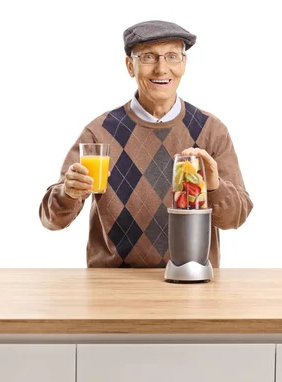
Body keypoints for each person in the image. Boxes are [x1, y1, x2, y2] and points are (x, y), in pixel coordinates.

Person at [39, 20, 253, 268]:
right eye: (149, 57)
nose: (162, 69)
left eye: (172, 56)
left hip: (192, 288)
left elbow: (235, 218)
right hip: (112, 289)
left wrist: (215, 187)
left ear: (184, 64)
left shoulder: (211, 131)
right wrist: (68, 193)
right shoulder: (100, 132)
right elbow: (52, 219)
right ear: (131, 66)